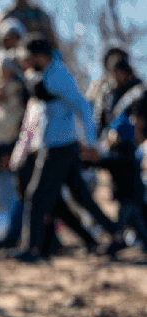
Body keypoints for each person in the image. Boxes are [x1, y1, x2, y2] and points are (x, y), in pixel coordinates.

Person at [16, 36, 123, 263]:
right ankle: (113, 232)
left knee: (37, 195)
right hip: (56, 144)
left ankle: (31, 248)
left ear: (39, 56)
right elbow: (37, 115)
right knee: (79, 195)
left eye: (28, 57)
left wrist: (91, 143)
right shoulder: (43, 74)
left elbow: (82, 107)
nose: (25, 62)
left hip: (60, 146)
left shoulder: (59, 75)